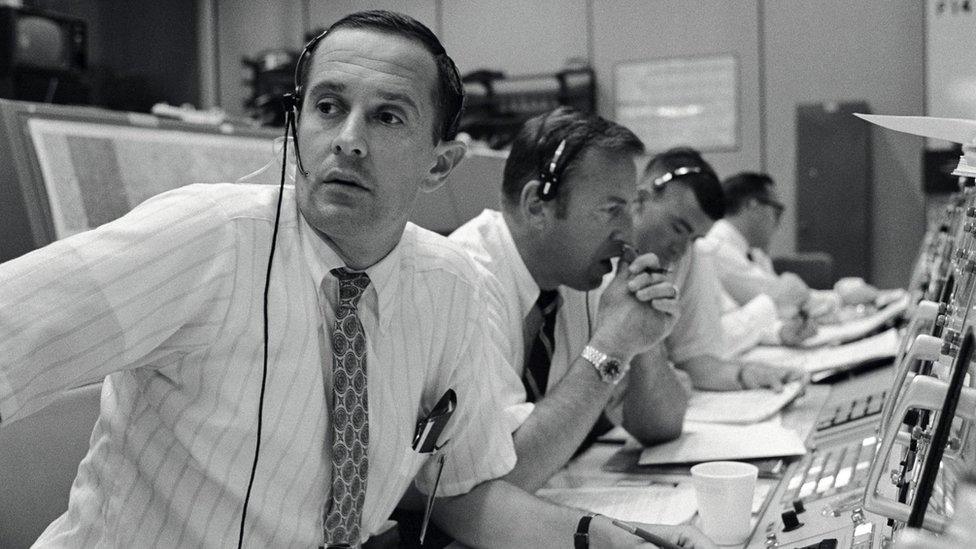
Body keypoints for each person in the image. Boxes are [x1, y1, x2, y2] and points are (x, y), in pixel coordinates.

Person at [0, 11, 715, 549]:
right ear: (296, 128)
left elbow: (462, 493)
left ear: (440, 163)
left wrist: (599, 538)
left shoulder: (446, 286)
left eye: (387, 116)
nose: (347, 138)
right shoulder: (208, 240)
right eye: (328, 107)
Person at [449, 107, 686, 492]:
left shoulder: (582, 274)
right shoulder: (464, 282)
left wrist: (642, 340)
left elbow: (662, 426)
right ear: (536, 206)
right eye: (611, 210)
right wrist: (610, 346)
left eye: (631, 209)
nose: (628, 234)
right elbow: (501, 478)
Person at [622, 148, 806, 393]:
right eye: (677, 228)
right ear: (640, 199)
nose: (681, 248)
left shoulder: (692, 254)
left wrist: (745, 374)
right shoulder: (596, 259)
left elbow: (695, 360)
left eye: (694, 237)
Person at [705, 171, 881, 325]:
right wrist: (841, 298)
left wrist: (838, 298)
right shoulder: (718, 248)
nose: (778, 222)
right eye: (777, 210)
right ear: (753, 206)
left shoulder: (752, 250)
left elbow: (789, 298)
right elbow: (780, 300)